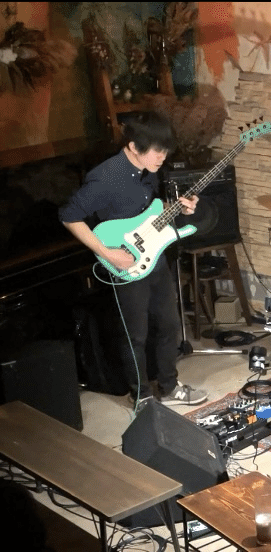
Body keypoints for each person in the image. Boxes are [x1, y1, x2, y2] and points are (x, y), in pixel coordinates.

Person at [59, 111, 208, 409]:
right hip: (124, 262)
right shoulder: (105, 178)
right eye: (156, 151)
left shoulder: (148, 169)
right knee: (135, 335)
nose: (162, 157)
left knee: (169, 325)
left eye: (165, 150)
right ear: (132, 146)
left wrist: (177, 208)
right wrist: (106, 252)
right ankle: (141, 396)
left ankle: (169, 386)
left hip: (155, 257)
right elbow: (68, 216)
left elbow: (147, 211)